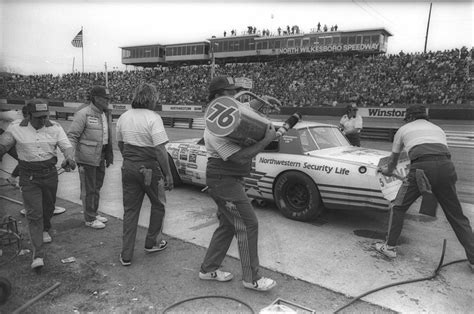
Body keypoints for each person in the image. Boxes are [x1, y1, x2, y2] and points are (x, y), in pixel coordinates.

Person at [199, 76, 278, 291]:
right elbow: (240, 158)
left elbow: (245, 109)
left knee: (227, 225)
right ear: (217, 97)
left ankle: (208, 269)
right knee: (248, 223)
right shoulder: (213, 128)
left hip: (226, 179)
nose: (234, 96)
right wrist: (265, 141)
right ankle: (251, 278)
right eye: (229, 92)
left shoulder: (226, 112)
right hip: (223, 180)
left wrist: (261, 102)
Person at [376, 104, 474, 273]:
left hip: (421, 169)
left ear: (409, 118)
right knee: (456, 215)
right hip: (446, 167)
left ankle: (390, 248)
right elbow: (436, 152)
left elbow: (392, 163)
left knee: (398, 207)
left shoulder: (403, 129)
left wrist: (387, 171)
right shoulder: (438, 129)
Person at [0, 100, 76, 270]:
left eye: (45, 116)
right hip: (29, 177)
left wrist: (70, 158)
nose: (42, 120)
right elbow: (4, 143)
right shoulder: (15, 127)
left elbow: (66, 147)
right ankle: (38, 255)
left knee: (48, 209)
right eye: (38, 117)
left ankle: (45, 228)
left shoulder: (55, 127)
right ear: (28, 115)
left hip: (50, 175)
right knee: (34, 214)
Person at [116, 83, 173, 266]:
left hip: (129, 166)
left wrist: (130, 160)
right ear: (152, 98)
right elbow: (160, 150)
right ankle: (152, 242)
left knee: (130, 210)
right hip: (149, 169)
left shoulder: (124, 116)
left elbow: (120, 144)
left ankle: (126, 254)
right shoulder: (153, 118)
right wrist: (168, 174)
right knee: (158, 204)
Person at [67, 86, 114, 229]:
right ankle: (89, 218)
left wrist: (109, 155)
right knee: (89, 189)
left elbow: (107, 137)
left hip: (101, 154)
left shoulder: (106, 113)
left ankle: (93, 212)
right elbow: (72, 136)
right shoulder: (83, 114)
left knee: (97, 187)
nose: (108, 101)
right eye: (105, 98)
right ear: (95, 98)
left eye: (108, 98)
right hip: (87, 158)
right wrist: (69, 155)